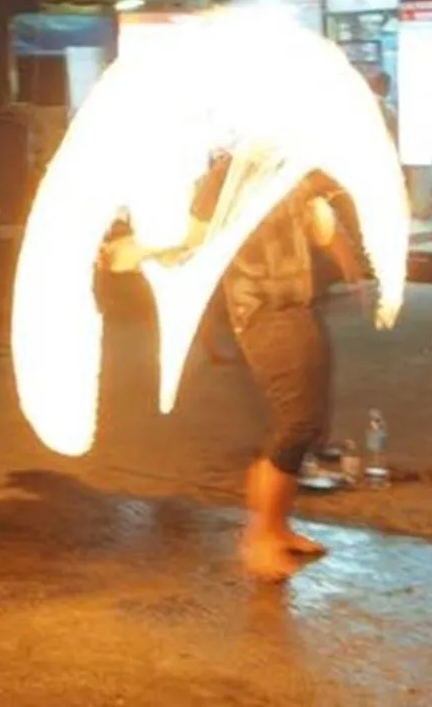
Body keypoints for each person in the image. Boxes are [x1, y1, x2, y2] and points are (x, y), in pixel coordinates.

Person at [102, 149, 361, 584]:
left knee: (309, 422)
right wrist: (137, 250)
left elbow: (317, 222)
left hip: (298, 303)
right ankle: (260, 538)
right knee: (296, 423)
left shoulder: (291, 167)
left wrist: (341, 248)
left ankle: (277, 527)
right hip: (262, 309)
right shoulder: (231, 173)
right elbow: (197, 232)